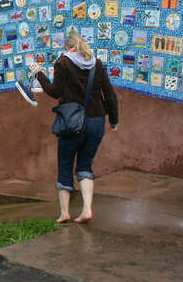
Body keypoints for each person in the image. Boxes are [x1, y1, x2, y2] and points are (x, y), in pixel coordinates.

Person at [28, 32, 119, 224]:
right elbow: (109, 94)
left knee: (65, 164)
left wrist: (39, 74)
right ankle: (86, 209)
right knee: (85, 165)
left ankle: (64, 213)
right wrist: (114, 120)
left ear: (68, 48)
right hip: (96, 121)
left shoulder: (63, 63)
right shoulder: (97, 64)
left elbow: (55, 92)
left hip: (72, 122)